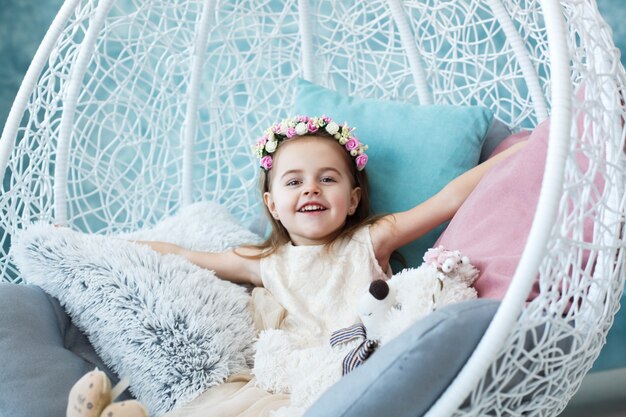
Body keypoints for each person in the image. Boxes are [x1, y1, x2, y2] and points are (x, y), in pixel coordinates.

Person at [140, 115, 525, 417]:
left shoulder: (370, 239)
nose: (311, 189)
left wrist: (522, 152)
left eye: (327, 178)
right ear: (272, 205)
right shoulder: (265, 262)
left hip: (368, 368)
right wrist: (116, 246)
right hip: (299, 376)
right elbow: (186, 256)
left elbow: (447, 199)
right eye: (294, 182)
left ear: (353, 199)